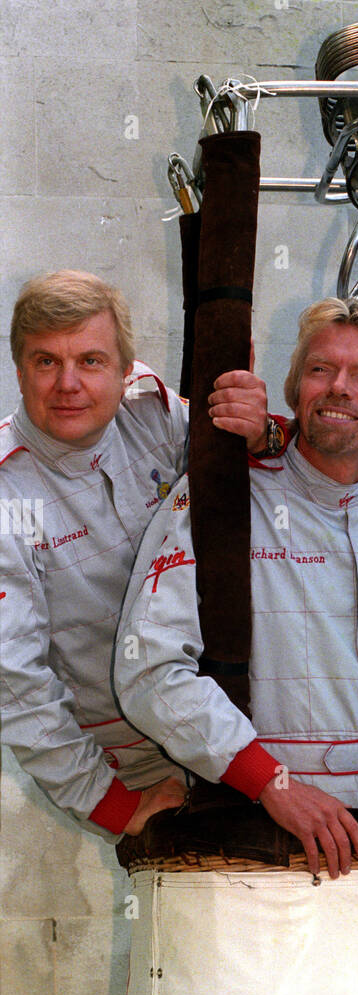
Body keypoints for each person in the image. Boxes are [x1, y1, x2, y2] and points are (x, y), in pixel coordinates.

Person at [115, 297, 358, 880]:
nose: (339, 387)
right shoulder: (223, 496)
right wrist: (271, 783)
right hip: (257, 825)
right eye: (320, 370)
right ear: (293, 392)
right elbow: (148, 671)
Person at [0, 270, 269, 839]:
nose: (68, 384)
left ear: (125, 370)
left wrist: (263, 434)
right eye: (46, 361)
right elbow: (14, 684)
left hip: (235, 714)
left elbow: (238, 483)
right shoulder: (6, 493)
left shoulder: (151, 409)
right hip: (134, 762)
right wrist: (116, 806)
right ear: (19, 370)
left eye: (91, 361)